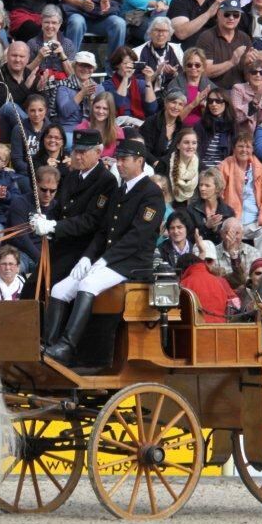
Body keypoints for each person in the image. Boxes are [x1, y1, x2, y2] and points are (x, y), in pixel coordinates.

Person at [38, 140, 163, 363]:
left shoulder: (151, 193)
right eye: (118, 159)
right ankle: (48, 345)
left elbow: (137, 237)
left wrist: (105, 259)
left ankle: (67, 346)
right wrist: (87, 257)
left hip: (131, 262)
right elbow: (103, 230)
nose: (119, 164)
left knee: (88, 284)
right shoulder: (120, 190)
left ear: (139, 161)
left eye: (124, 160)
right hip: (108, 259)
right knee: (60, 289)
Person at [33, 129, 116, 283]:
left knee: (51, 287)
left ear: (98, 152)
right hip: (61, 243)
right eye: (76, 151)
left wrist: (53, 226)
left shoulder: (106, 181)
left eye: (83, 152)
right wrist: (45, 218)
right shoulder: (72, 176)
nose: (78, 156)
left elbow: (91, 220)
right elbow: (60, 208)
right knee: (32, 287)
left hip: (82, 248)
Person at [219, 132, 262, 260]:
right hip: (232, 219)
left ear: (252, 149)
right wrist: (227, 219)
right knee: (230, 234)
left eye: (248, 147)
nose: (244, 150)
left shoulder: (260, 169)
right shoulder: (224, 166)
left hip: (254, 221)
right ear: (234, 148)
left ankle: (260, 268)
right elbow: (219, 195)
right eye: (240, 146)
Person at [195, 0, 253, 90]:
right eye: (227, 14)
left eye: (236, 15)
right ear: (218, 14)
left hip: (239, 93)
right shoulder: (207, 37)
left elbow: (248, 77)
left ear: (240, 17)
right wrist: (231, 62)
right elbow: (204, 71)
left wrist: (248, 65)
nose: (231, 18)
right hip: (214, 94)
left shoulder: (245, 38)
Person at [180, 242, 239, 323]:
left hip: (195, 330)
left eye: (209, 260)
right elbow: (236, 305)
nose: (206, 264)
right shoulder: (220, 282)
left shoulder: (184, 284)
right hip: (222, 329)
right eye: (203, 261)